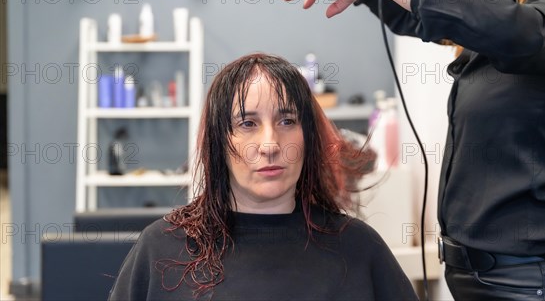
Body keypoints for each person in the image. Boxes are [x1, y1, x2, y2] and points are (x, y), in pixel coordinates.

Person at [281, 0, 545, 299]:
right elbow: (432, 16)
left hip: (539, 284)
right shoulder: (496, 32)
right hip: (484, 281)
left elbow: (511, 29)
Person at [108, 52, 419, 300]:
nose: (270, 145)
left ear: (307, 136)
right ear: (219, 142)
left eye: (286, 121)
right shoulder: (162, 250)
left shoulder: (359, 249)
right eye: (247, 124)